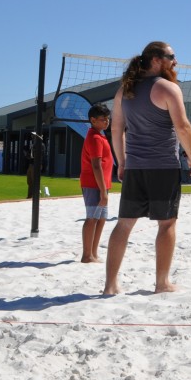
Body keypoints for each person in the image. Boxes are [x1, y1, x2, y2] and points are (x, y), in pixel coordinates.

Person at [103, 41, 191, 296]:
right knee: (166, 225)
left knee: (123, 225)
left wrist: (122, 162)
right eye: (172, 56)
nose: (176, 61)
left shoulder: (126, 90)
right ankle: (162, 283)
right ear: (156, 59)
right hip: (163, 167)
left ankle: (110, 285)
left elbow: (116, 129)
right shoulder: (168, 88)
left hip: (135, 167)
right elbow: (183, 127)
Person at [80, 103, 114, 263]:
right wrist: (103, 191)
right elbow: (96, 165)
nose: (107, 122)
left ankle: (93, 253)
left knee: (101, 219)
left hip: (102, 184)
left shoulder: (100, 135)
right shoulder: (94, 137)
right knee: (92, 218)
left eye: (108, 119)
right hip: (94, 185)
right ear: (93, 120)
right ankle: (87, 255)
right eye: (103, 119)